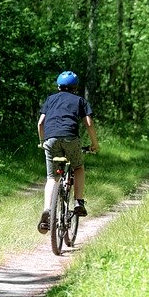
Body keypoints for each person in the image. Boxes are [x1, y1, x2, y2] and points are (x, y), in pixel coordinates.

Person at [36, 71, 100, 234]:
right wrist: (94, 144)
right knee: (78, 167)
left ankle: (47, 210)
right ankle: (79, 202)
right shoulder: (80, 100)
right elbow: (89, 123)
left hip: (50, 139)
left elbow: (41, 123)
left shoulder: (50, 99)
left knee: (52, 177)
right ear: (75, 87)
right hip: (71, 138)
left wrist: (43, 141)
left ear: (58, 86)